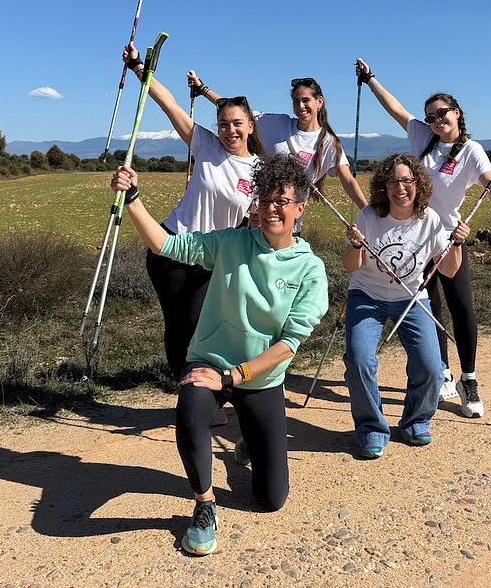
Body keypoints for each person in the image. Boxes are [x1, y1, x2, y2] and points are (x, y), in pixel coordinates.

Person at [110, 153, 328, 556]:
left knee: (271, 499)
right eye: (265, 199)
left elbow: (288, 345)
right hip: (209, 360)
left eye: (282, 201)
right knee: (191, 407)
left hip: (258, 378)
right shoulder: (230, 242)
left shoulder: (310, 269)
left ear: (300, 207)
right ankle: (204, 504)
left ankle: (247, 441)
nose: (271, 208)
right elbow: (166, 245)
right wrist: (134, 198)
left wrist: (233, 378)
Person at [354, 58, 491, 419]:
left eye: (442, 113)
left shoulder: (471, 151)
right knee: (428, 308)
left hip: (448, 237)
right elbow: (396, 109)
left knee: (461, 307)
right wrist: (371, 80)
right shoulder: (422, 137)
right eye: (431, 116)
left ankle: (469, 379)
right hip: (413, 239)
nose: (437, 120)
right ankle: (443, 372)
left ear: (457, 113)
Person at [122, 42, 265, 383]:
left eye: (236, 124)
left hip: (212, 257)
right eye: (223, 124)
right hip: (170, 246)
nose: (229, 130)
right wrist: (139, 67)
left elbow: (256, 222)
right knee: (179, 325)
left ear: (249, 127)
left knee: (203, 326)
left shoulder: (259, 172)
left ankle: (205, 386)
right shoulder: (204, 145)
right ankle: (189, 389)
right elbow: (168, 103)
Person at [342, 153, 468, 458]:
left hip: (412, 298)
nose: (401, 187)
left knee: (432, 368)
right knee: (359, 361)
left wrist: (457, 244)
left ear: (418, 184)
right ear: (384, 186)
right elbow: (350, 266)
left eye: (408, 180)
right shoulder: (369, 216)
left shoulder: (430, 220)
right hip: (366, 297)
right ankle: (371, 427)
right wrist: (356, 245)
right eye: (394, 181)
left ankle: (416, 420)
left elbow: (449, 270)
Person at [187, 73, 368, 226]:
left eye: (306, 100)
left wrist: (368, 212)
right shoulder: (277, 123)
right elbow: (236, 111)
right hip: (252, 220)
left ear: (319, 102)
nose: (300, 106)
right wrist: (203, 90)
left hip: (287, 224)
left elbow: (348, 180)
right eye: (296, 101)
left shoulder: (327, 142)